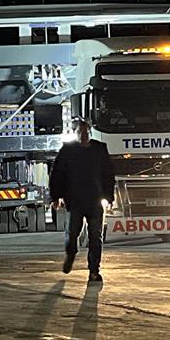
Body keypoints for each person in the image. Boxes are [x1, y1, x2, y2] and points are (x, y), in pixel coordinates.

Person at [49, 120, 115, 283]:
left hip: (94, 201)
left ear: (90, 133)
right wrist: (55, 197)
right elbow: (57, 174)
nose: (83, 135)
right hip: (75, 201)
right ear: (76, 133)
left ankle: (94, 271)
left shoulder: (99, 149)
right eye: (80, 132)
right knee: (72, 234)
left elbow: (108, 174)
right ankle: (70, 254)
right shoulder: (68, 150)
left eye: (86, 132)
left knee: (95, 237)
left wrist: (109, 196)